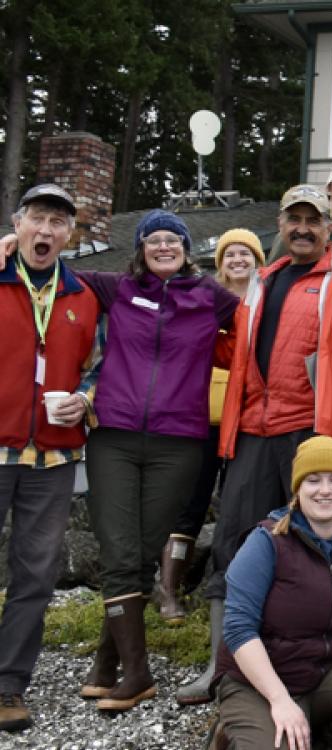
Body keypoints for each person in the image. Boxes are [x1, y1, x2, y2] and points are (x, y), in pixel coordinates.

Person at [195, 184, 332, 705]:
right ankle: (223, 667)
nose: (302, 228)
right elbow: (234, 349)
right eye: (293, 219)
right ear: (279, 223)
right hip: (255, 431)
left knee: (313, 549)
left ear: (329, 227)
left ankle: (313, 670)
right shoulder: (262, 281)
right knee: (233, 545)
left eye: (312, 220)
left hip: (311, 434)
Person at [68, 210, 238, 713]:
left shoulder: (211, 298)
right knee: (120, 554)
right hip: (114, 437)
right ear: (140, 248)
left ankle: (105, 666)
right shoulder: (115, 288)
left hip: (178, 444)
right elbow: (55, 272)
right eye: (154, 240)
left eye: (173, 240)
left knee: (141, 556)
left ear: (187, 249)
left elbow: (260, 315)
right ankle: (137, 673)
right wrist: (13, 242)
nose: (164, 246)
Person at [212, 437, 332, 749]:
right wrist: (279, 701)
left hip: (328, 674)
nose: (325, 490)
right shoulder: (266, 542)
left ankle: (327, 738)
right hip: (260, 683)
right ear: (297, 489)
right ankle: (235, 728)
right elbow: (238, 629)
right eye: (313, 480)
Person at [0, 185, 102, 732]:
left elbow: (101, 364)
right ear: (18, 225)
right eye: (37, 219)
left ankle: (9, 683)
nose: (46, 231)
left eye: (57, 223)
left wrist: (85, 398)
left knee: (35, 576)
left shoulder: (85, 295)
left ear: (69, 235)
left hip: (53, 463)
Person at [165, 229, 265, 628]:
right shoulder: (203, 300)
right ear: (219, 262)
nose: (237, 260)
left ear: (258, 261)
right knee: (188, 506)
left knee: (236, 507)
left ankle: (232, 591)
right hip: (200, 420)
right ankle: (169, 591)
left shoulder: (265, 302)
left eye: (246, 253)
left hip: (247, 423)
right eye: (230, 254)